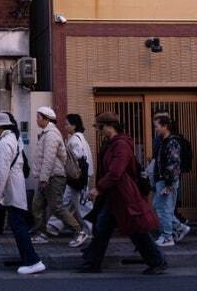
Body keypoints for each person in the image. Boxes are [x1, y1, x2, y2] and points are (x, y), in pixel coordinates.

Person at [79, 111, 166, 275]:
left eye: (100, 127)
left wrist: (98, 188)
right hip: (114, 195)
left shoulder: (121, 145)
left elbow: (116, 172)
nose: (99, 131)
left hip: (123, 195)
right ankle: (92, 262)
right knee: (103, 227)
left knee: (135, 230)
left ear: (110, 126)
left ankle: (157, 261)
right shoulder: (112, 144)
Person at [0, 113, 46, 275]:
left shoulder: (5, 143)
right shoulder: (12, 139)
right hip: (12, 188)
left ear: (1, 127)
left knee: (18, 225)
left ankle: (33, 261)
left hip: (10, 189)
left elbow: (3, 170)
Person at [30, 106, 86, 246]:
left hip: (54, 177)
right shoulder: (46, 133)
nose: (37, 119)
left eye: (38, 117)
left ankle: (79, 231)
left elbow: (49, 158)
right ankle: (42, 233)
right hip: (47, 176)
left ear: (46, 119)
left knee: (56, 206)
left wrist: (43, 178)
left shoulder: (51, 134)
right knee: (37, 205)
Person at [151, 116, 191, 246]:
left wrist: (169, 184)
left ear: (164, 126)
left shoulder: (171, 142)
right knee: (159, 206)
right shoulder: (165, 141)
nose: (155, 129)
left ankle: (167, 237)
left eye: (157, 126)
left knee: (164, 209)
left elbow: (174, 164)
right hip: (163, 180)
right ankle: (179, 228)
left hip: (166, 181)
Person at [59, 113, 93, 248]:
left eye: (67, 124)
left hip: (77, 178)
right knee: (67, 202)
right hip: (80, 178)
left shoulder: (74, 140)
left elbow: (78, 158)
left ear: (74, 125)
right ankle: (53, 226)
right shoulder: (80, 138)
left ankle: (87, 231)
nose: (65, 126)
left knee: (81, 206)